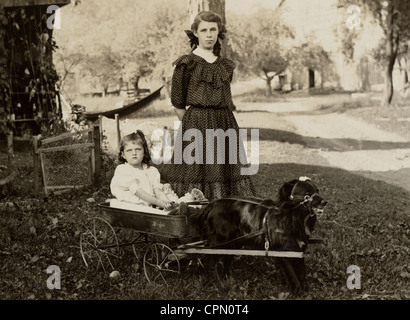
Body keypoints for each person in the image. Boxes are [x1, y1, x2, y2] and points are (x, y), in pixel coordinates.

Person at [165, 11, 256, 200]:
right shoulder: (186, 63)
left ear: (218, 32)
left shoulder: (224, 65)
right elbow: (178, 103)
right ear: (195, 33)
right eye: (204, 30)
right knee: (196, 169)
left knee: (224, 168)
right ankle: (194, 213)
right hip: (195, 123)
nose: (209, 34)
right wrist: (195, 125)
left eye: (213, 29)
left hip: (224, 121)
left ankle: (225, 213)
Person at [110, 130, 177, 211]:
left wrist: (166, 202)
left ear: (144, 152)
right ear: (123, 155)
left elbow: (157, 190)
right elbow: (137, 191)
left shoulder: (152, 171)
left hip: (149, 204)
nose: (134, 153)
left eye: (138, 149)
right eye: (129, 150)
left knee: (170, 199)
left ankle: (173, 209)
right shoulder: (122, 170)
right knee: (119, 205)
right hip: (130, 205)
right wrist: (157, 202)